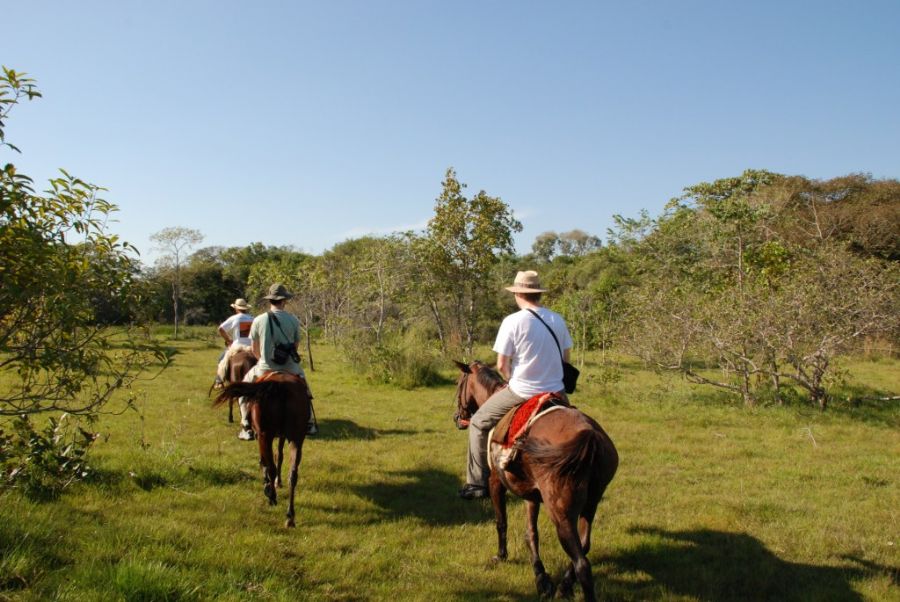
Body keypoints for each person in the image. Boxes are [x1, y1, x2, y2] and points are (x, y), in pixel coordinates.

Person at [458, 270, 573, 500]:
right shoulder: (557, 319)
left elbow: (501, 364)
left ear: (518, 293)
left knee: (479, 423)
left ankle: (477, 483)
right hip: (556, 391)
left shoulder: (512, 321)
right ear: (538, 294)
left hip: (522, 391)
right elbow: (566, 359)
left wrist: (511, 380)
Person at [237, 283, 318, 440]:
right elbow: (295, 345)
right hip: (290, 367)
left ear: (270, 301)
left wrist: (264, 360)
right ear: (284, 301)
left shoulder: (259, 319)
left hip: (265, 367)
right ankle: (309, 422)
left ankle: (246, 425)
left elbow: (254, 348)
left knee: (244, 389)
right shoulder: (293, 320)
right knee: (305, 389)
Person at [214, 298, 254, 387]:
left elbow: (220, 329)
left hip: (237, 346)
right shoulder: (252, 318)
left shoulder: (234, 318)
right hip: (251, 347)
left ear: (236, 308)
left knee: (222, 358)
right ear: (246, 308)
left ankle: (219, 380)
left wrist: (228, 340)